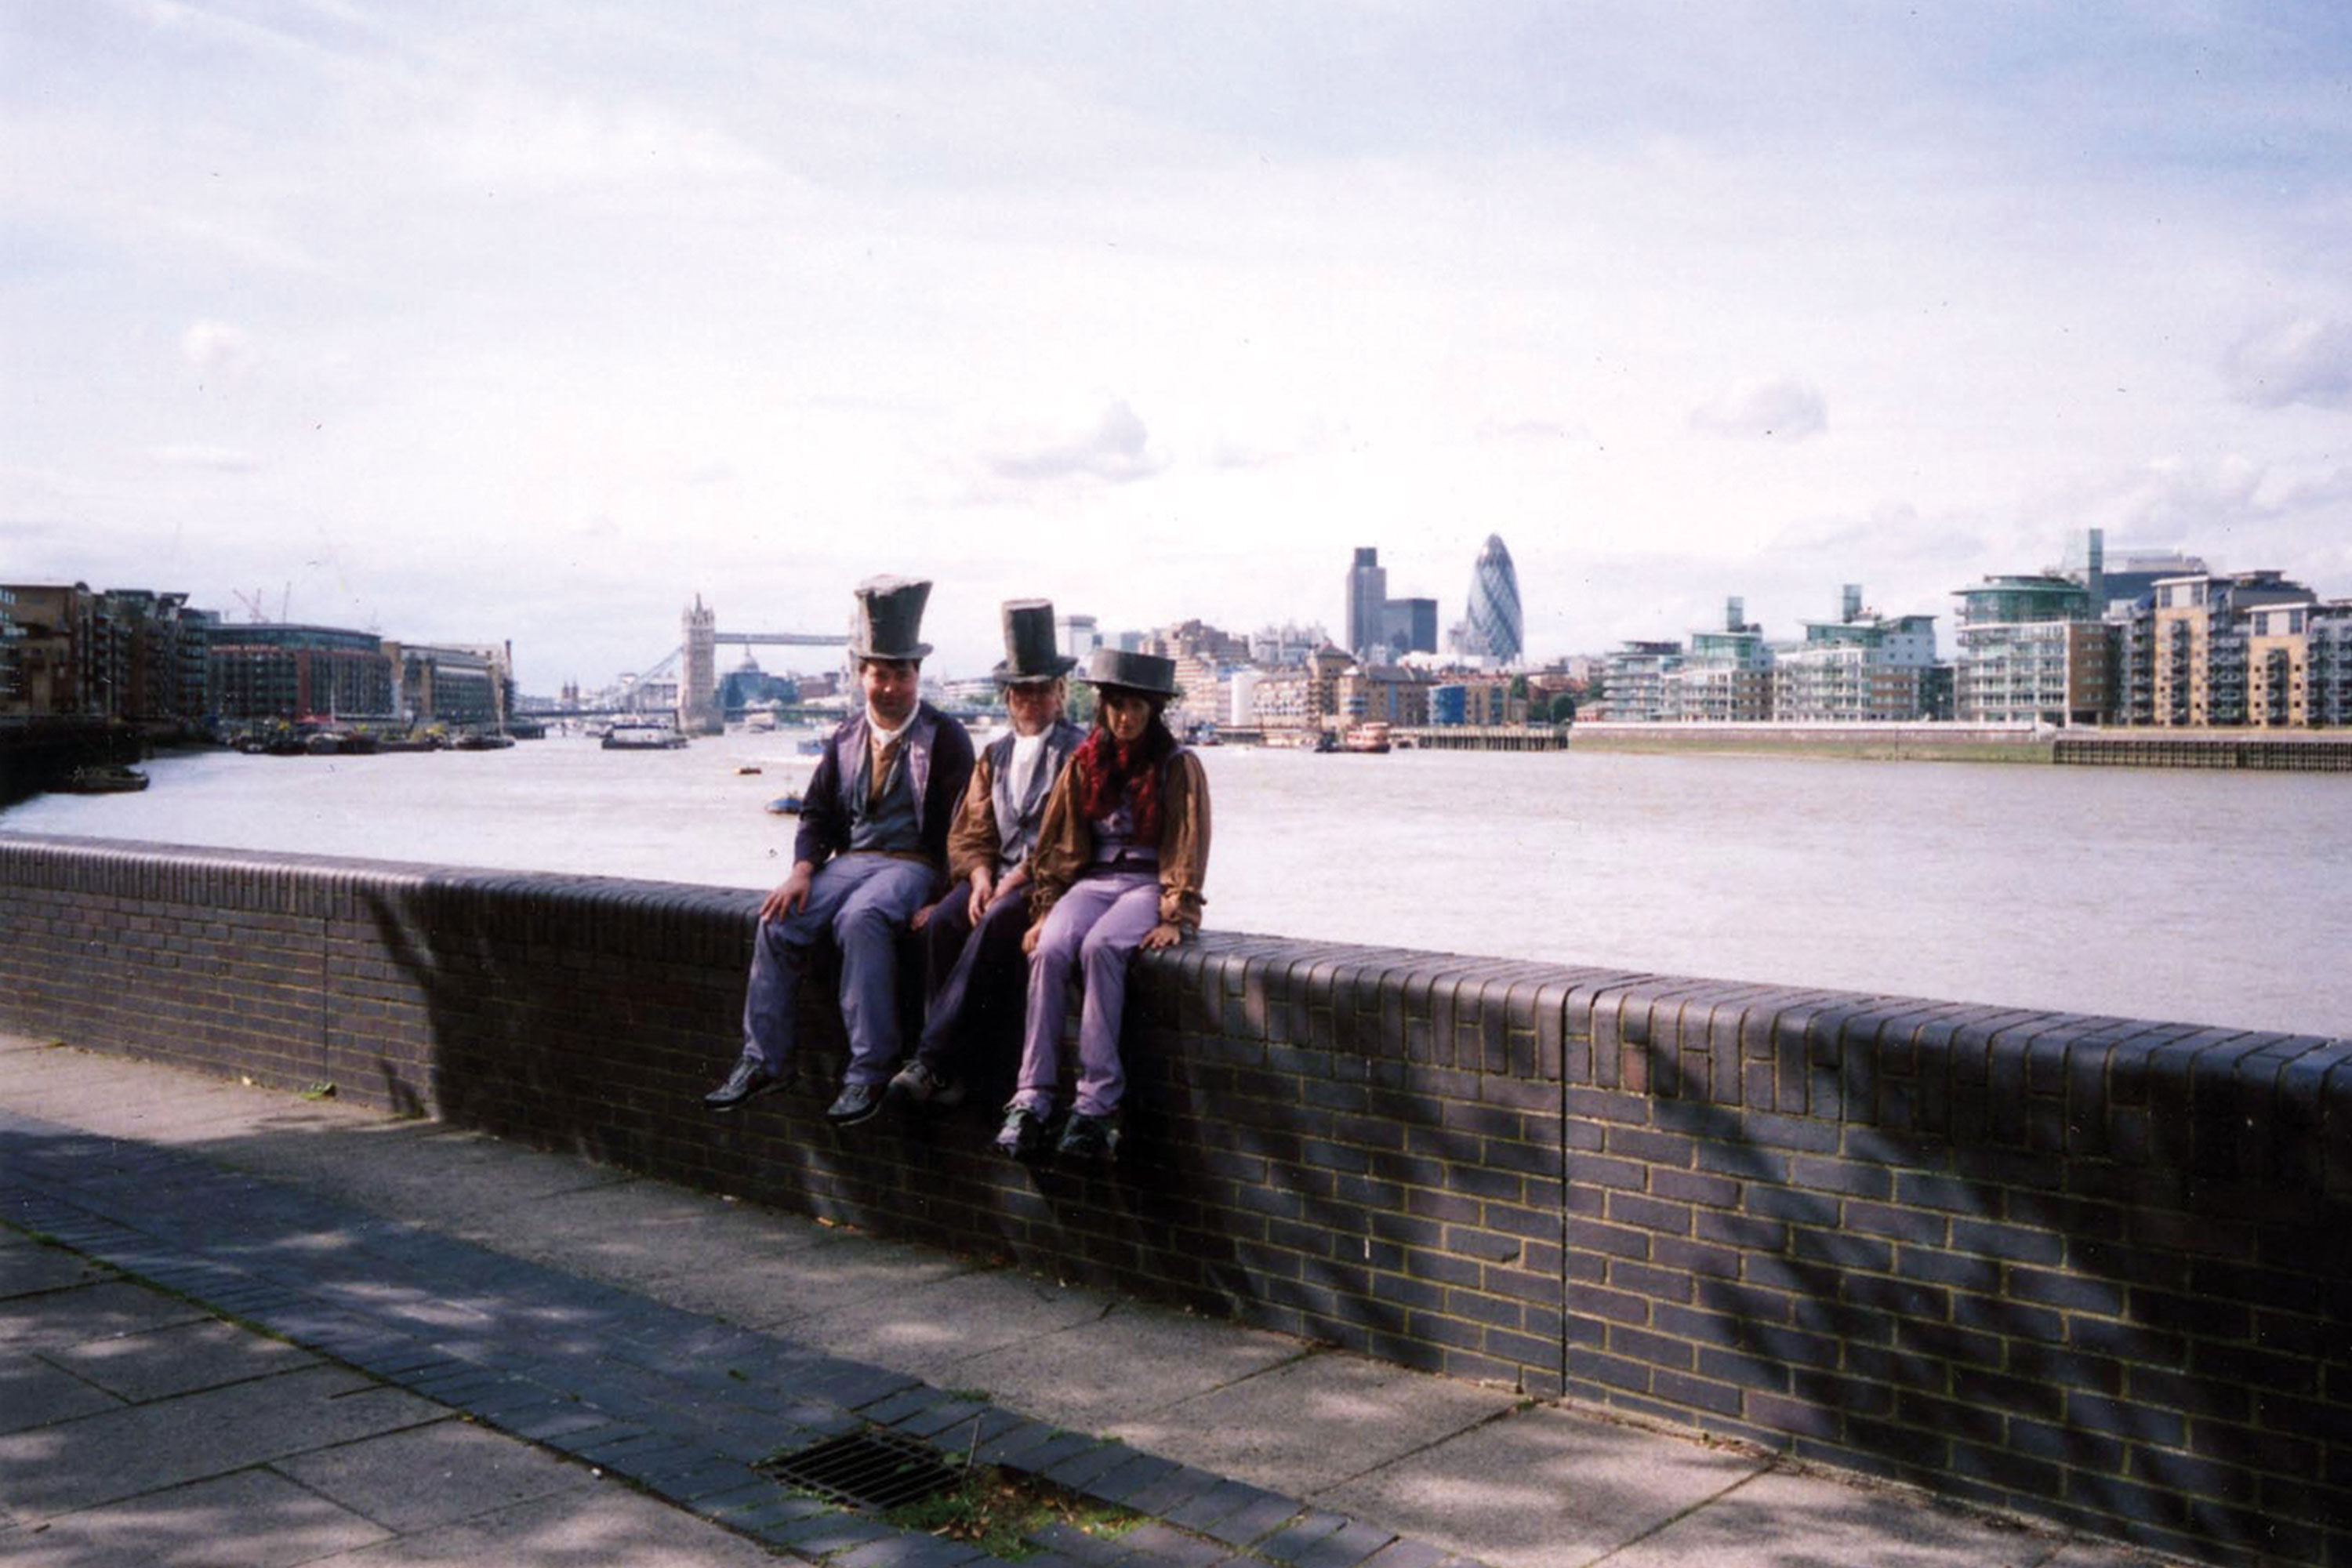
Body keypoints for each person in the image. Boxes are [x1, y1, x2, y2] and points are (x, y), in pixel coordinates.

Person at [703, 576, 975, 1125]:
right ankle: (765, 1060)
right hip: (849, 863)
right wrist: (802, 871)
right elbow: (817, 814)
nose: (891, 687)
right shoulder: (846, 736)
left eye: (901, 674)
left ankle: (868, 1073)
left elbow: (964, 828)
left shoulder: (946, 738)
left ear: (917, 677)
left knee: (862, 919)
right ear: (862, 676)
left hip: (912, 867)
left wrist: (946, 896)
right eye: (880, 674)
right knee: (778, 922)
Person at [998, 648, 1210, 1163]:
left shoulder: (1178, 765)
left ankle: (1096, 1103)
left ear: (1153, 710)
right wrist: (1047, 908)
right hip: (1093, 881)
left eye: (1136, 706)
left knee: (1102, 948)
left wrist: (1175, 911)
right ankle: (1033, 1097)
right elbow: (1060, 843)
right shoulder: (1084, 762)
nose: (1125, 717)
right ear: (1103, 707)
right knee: (1048, 950)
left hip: (1145, 883)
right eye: (1116, 705)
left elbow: (1188, 841)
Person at [889, 599, 1086, 1110]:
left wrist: (1016, 879)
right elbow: (971, 830)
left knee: (1000, 920)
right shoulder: (993, 755)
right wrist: (977, 875)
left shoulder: (1080, 754)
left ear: (1060, 693)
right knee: (944, 922)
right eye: (1022, 690)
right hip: (992, 877)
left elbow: (1069, 836)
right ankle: (951, 1070)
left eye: (1043, 689)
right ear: (1008, 697)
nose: (1032, 700)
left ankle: (932, 1059)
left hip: (1046, 884)